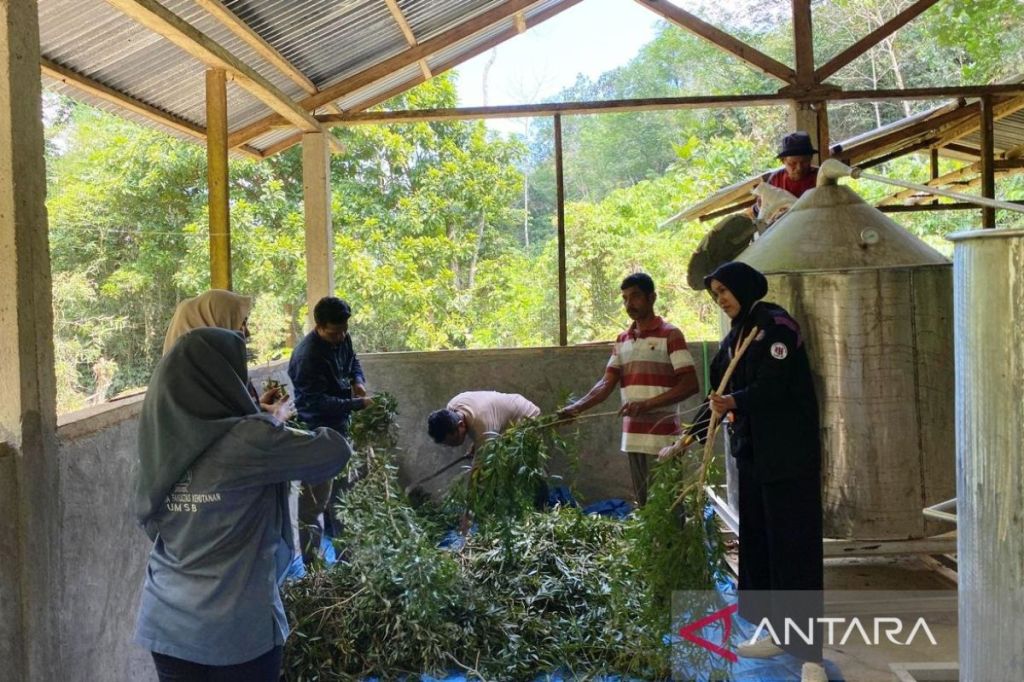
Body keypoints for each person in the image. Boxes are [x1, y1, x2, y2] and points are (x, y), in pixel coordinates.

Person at [133, 327, 352, 682]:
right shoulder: (251, 440)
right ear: (224, 377)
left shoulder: (158, 439)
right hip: (236, 628)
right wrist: (271, 424)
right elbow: (334, 451)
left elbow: (148, 520)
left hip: (167, 620)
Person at [660, 261, 825, 682]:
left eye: (725, 290)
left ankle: (810, 656)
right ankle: (776, 630)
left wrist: (734, 403)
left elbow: (775, 387)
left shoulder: (775, 327)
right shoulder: (734, 337)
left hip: (787, 459)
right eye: (716, 295)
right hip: (752, 458)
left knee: (793, 552)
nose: (722, 299)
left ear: (745, 286)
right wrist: (687, 439)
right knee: (761, 551)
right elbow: (716, 397)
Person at [558, 272, 699, 506]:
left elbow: (690, 385)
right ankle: (653, 545)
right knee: (646, 508)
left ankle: (673, 544)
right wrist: (575, 408)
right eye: (624, 298)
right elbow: (606, 383)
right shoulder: (622, 339)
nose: (628, 304)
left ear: (652, 298)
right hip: (634, 437)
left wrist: (646, 405)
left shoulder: (670, 335)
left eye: (635, 297)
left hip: (664, 440)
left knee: (669, 507)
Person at [287, 296, 371, 565]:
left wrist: (357, 380)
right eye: (335, 333)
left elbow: (352, 359)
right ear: (319, 326)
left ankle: (348, 561)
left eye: (345, 330)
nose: (341, 336)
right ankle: (313, 570)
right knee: (313, 506)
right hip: (316, 436)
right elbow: (316, 403)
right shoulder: (306, 357)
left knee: (343, 499)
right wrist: (357, 404)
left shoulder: (341, 337)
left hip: (340, 430)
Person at [162, 289, 288, 417]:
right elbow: (226, 431)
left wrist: (256, 406)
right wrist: (275, 418)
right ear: (215, 325)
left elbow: (226, 415)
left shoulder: (206, 374)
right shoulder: (193, 383)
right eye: (242, 323)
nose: (247, 333)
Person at [427, 390, 541, 453]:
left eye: (453, 441)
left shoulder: (481, 425)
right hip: (504, 420)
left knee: (526, 465)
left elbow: (480, 469)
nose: (452, 446)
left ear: (460, 425)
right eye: (447, 444)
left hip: (527, 418)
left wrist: (470, 495)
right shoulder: (452, 405)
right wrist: (478, 445)